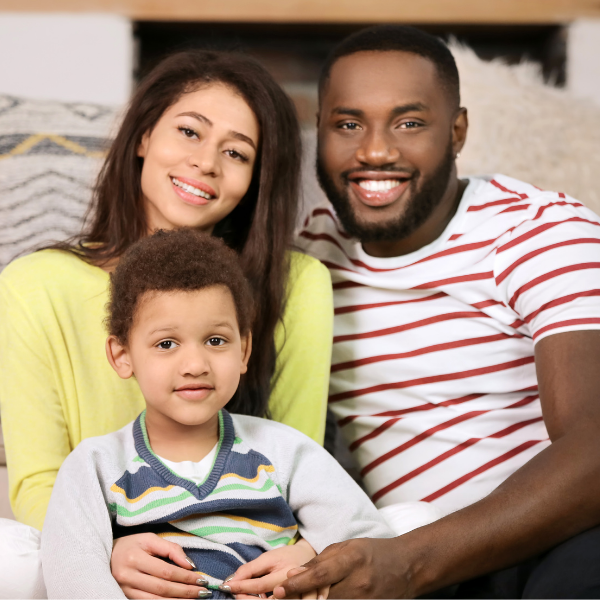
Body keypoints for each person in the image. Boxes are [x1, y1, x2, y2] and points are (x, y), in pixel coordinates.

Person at [254, 24, 600, 600]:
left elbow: (595, 448)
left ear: (458, 131)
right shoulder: (312, 257)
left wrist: (410, 563)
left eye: (409, 123)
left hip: (555, 536)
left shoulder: (541, 232)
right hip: (403, 548)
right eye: (348, 124)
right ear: (320, 132)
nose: (375, 152)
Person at [0, 50, 333, 599]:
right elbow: (37, 483)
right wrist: (110, 547)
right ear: (143, 137)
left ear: (255, 179)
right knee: (10, 553)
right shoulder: (35, 284)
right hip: (98, 548)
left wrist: (308, 549)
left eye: (236, 152)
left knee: (406, 525)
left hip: (249, 554)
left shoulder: (297, 285)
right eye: (189, 132)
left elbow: (303, 466)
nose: (206, 163)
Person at [41, 228, 392, 599]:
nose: (195, 364)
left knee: (411, 519)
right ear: (122, 356)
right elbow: (74, 575)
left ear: (244, 350)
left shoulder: (283, 451)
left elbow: (370, 544)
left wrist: (307, 557)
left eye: (215, 341)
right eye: (166, 343)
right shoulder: (95, 466)